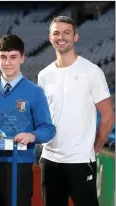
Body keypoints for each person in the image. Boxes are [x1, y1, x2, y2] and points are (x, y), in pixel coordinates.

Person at [38, 16, 115, 206]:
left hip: (80, 160)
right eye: (56, 33)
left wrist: (94, 148)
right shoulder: (44, 75)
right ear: (50, 38)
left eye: (66, 32)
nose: (61, 37)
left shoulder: (91, 71)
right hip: (49, 159)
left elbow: (107, 117)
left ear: (75, 37)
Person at [0, 34, 56, 206]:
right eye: (3, 57)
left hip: (19, 164)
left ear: (22, 58)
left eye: (13, 57)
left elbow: (48, 129)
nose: (8, 62)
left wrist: (32, 136)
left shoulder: (35, 92)